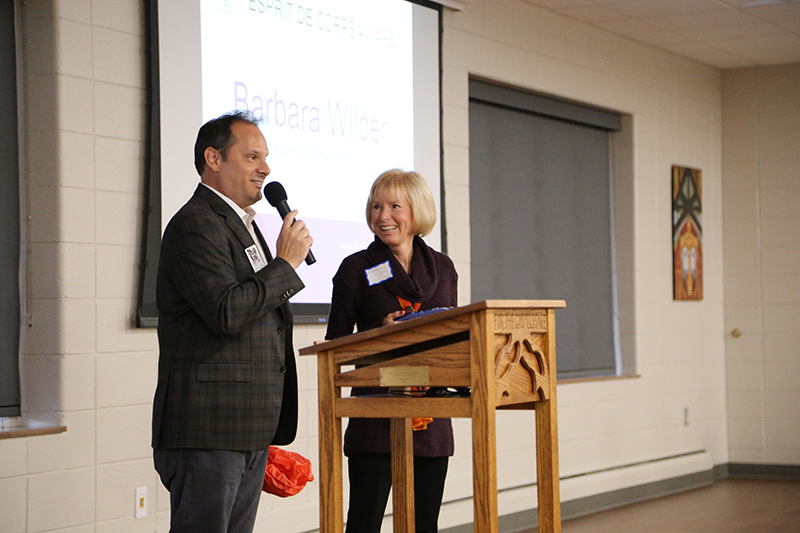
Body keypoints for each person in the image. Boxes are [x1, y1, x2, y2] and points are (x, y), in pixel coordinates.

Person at [151, 110, 313, 533]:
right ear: (214, 158)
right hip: (209, 426)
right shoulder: (195, 224)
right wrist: (285, 264)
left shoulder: (242, 225)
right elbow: (227, 311)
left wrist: (279, 265)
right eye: (252, 157)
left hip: (247, 425)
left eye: (266, 158)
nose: (266, 168)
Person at [325, 169, 458, 533]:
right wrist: (378, 335)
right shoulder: (357, 268)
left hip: (430, 417)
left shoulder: (444, 269)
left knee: (423, 525)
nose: (383, 216)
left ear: (418, 212)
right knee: (364, 524)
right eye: (376, 206)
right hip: (375, 416)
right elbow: (335, 345)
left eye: (395, 206)